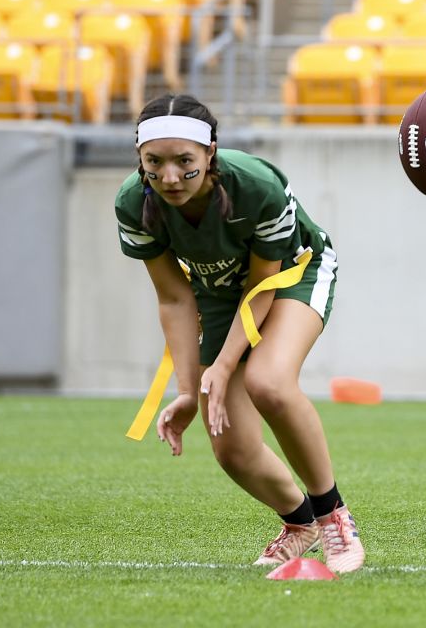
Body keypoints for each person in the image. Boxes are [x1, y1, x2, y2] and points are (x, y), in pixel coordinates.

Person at [115, 93, 365, 572]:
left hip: (291, 275)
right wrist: (189, 391)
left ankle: (334, 516)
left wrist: (226, 364)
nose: (169, 177)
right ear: (140, 158)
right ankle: (300, 521)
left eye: (184, 162)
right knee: (230, 446)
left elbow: (262, 283)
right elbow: (174, 298)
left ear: (210, 153)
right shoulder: (133, 202)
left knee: (268, 382)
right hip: (217, 292)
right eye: (155, 162)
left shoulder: (255, 185)